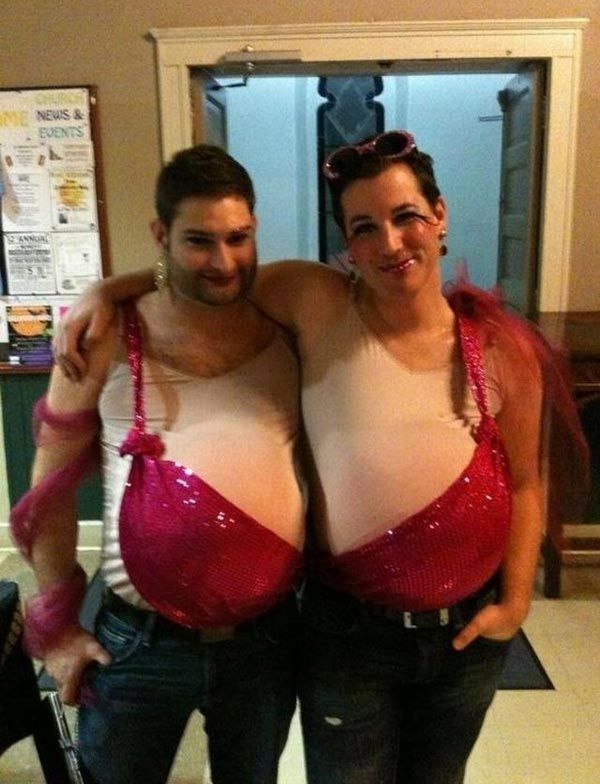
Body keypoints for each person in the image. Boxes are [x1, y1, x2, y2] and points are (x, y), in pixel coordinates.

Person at [53, 130, 585, 784]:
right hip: (348, 634)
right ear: (347, 245)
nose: (390, 243)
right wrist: (108, 290)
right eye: (364, 228)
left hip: (465, 637)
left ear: (440, 216)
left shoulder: (501, 349)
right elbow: (215, 279)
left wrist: (516, 603)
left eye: (406, 216)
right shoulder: (314, 299)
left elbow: (527, 484)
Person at [10, 145, 305, 784]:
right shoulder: (108, 335)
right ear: (161, 235)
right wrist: (57, 631)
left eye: (238, 237)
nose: (223, 261)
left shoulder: (288, 324)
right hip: (137, 645)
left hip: (265, 643)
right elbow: (48, 493)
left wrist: (113, 282)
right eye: (199, 241)